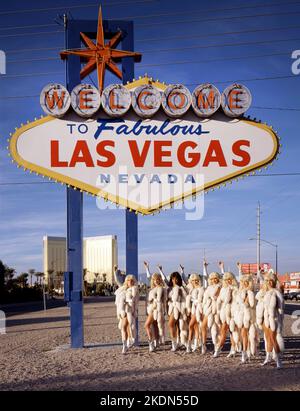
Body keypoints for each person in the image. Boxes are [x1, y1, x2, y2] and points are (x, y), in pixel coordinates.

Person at [257, 270, 285, 369]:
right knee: (267, 339)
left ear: (273, 282)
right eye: (267, 280)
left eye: (271, 281)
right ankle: (268, 358)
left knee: (273, 339)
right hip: (265, 319)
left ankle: (278, 360)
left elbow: (281, 307)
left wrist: (278, 316)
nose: (269, 282)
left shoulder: (276, 292)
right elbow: (259, 304)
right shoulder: (263, 292)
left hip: (274, 318)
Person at [114, 265, 139, 354]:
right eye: (128, 280)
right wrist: (115, 271)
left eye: (132, 280)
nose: (130, 282)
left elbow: (134, 302)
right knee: (123, 327)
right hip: (122, 311)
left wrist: (129, 301)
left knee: (130, 327)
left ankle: (130, 340)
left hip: (130, 311)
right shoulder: (122, 288)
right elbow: (117, 280)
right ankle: (125, 345)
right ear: (126, 281)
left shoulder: (135, 290)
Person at [213, 267, 238, 358]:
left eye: (229, 279)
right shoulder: (223, 289)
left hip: (232, 312)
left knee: (228, 331)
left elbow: (230, 300)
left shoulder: (235, 289)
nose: (228, 281)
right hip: (224, 312)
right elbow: (219, 299)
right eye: (226, 280)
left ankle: (218, 349)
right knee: (229, 331)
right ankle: (232, 349)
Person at [144, 261, 167, 352]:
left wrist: (160, 270)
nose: (156, 280)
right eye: (155, 279)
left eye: (158, 279)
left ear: (160, 280)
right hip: (151, 309)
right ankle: (156, 342)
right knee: (154, 326)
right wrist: (147, 268)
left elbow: (162, 300)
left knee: (146, 325)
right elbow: (149, 277)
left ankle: (151, 343)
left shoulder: (161, 288)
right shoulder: (151, 289)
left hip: (156, 310)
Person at [234, 274, 258, 363]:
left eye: (246, 282)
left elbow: (252, 305)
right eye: (243, 282)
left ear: (249, 283)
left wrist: (245, 303)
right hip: (241, 316)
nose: (244, 284)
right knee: (243, 334)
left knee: (251, 336)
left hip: (250, 316)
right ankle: (244, 353)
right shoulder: (239, 292)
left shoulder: (251, 293)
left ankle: (249, 352)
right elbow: (236, 304)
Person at [201, 270, 221, 354]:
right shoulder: (209, 287)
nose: (214, 280)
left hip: (217, 309)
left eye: (215, 278)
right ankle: (203, 344)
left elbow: (215, 297)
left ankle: (217, 346)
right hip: (208, 309)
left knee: (216, 329)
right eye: (212, 279)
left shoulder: (220, 286)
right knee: (203, 326)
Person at [185, 273, 205, 353]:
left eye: (196, 280)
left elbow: (200, 300)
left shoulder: (201, 288)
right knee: (195, 327)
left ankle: (189, 345)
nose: (195, 282)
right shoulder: (191, 289)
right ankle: (196, 345)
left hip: (199, 309)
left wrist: (192, 300)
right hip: (193, 309)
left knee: (190, 325)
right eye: (193, 280)